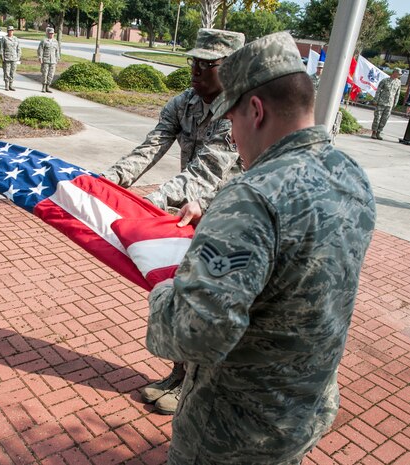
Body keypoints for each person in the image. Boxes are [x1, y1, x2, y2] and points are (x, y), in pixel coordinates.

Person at [145, 31, 376, 464]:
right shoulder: (350, 173)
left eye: (230, 122)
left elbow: (196, 335)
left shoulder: (251, 197)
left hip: (232, 431)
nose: (233, 137)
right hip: (302, 411)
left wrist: (163, 293)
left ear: (255, 110)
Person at [102, 28, 245, 415]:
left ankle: (197, 385)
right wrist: (108, 182)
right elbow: (150, 146)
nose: (196, 71)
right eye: (193, 62)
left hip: (232, 223)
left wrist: (148, 205)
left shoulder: (239, 111)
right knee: (184, 296)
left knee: (210, 304)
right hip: (189, 218)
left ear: (229, 69)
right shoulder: (183, 104)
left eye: (207, 65)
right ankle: (179, 373)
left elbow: (205, 172)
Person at [371, 68, 401, 140]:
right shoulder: (385, 81)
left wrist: (395, 102)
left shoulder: (398, 82)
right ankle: (374, 132)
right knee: (377, 117)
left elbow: (397, 93)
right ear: (394, 73)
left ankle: (379, 132)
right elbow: (378, 90)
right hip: (381, 102)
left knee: (384, 119)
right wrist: (376, 100)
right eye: (398, 73)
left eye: (399, 74)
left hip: (389, 104)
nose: (399, 75)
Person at [0, 25, 21, 91]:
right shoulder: (4, 38)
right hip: (6, 58)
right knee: (6, 72)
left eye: (12, 30)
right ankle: (6, 85)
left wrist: (18, 57)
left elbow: (18, 49)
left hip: (14, 58)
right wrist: (2, 57)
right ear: (7, 31)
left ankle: (11, 85)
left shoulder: (16, 39)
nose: (11, 32)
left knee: (13, 72)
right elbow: (1, 49)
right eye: (9, 30)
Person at [37, 27, 60, 93]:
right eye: (50, 33)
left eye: (52, 33)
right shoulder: (44, 41)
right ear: (48, 34)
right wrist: (40, 58)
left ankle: (48, 86)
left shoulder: (55, 41)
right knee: (45, 74)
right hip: (45, 60)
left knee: (51, 74)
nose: (51, 35)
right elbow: (40, 50)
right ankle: (43, 87)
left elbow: (57, 51)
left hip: (53, 61)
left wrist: (57, 59)